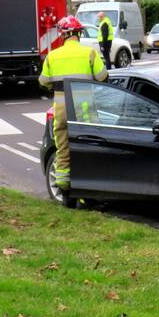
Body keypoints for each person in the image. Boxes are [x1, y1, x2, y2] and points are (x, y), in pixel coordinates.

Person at [39, 16, 109, 191]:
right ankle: (89, 180)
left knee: (62, 146)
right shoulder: (90, 53)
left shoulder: (52, 56)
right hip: (84, 107)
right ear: (78, 34)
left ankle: (63, 184)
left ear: (63, 35)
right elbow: (103, 77)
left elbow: (43, 82)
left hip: (61, 108)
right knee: (88, 144)